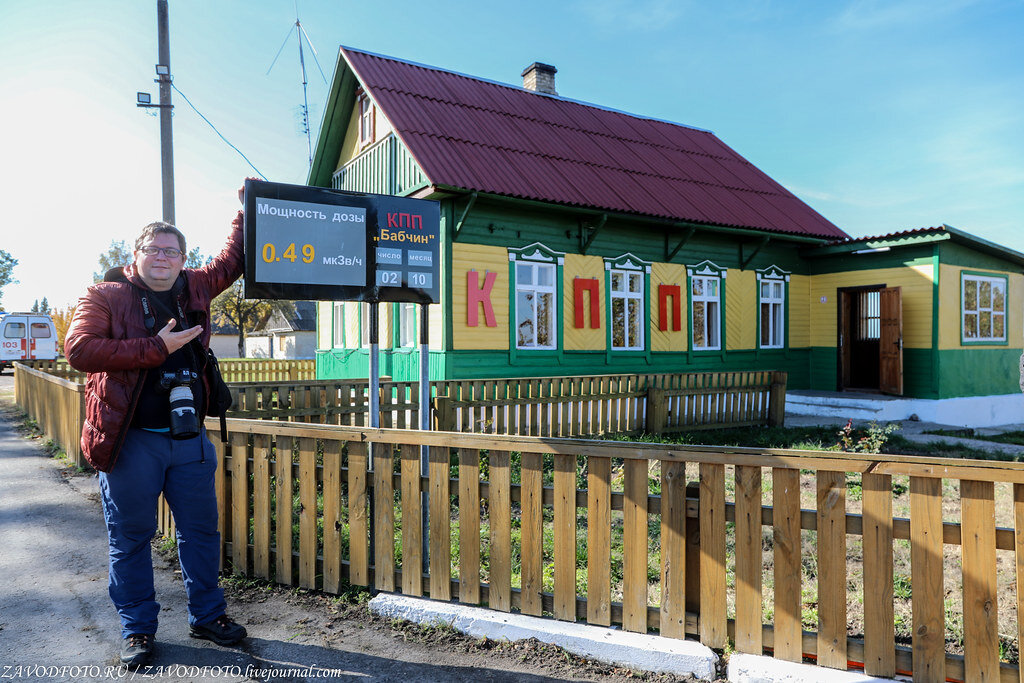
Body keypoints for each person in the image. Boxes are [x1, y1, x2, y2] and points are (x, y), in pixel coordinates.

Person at [65, 188, 247, 668]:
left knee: (201, 532)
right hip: (130, 442)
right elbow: (80, 350)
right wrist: (155, 348)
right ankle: (138, 630)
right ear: (136, 254)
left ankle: (208, 616)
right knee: (130, 536)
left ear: (183, 258)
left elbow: (234, 260)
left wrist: (248, 209)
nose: (163, 257)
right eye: (154, 249)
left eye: (172, 250)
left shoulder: (196, 286)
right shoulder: (104, 295)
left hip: (189, 439)